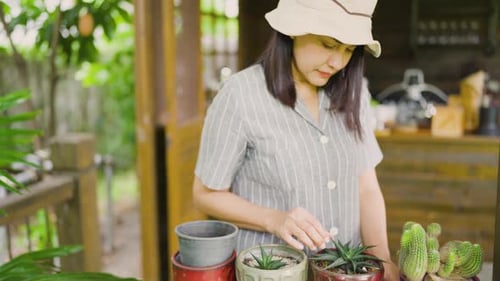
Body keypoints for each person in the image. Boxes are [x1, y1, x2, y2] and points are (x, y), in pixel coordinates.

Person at [192, 0, 399, 279]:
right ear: (293, 30)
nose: (338, 62)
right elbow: (205, 195)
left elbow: (366, 187)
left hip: (348, 273)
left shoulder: (355, 92)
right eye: (328, 44)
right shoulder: (240, 95)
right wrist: (275, 219)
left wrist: (382, 261)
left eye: (349, 49)